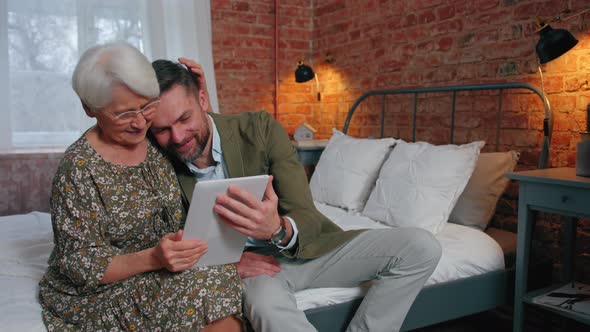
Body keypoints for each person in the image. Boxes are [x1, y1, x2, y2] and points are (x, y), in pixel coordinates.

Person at [149, 58, 443, 332]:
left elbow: (305, 211)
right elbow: (166, 243)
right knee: (266, 307)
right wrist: (226, 267)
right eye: (163, 129)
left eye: (185, 118)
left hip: (307, 249)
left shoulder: (260, 129)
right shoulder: (154, 162)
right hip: (253, 267)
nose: (177, 136)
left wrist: (278, 229)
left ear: (202, 100)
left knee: (421, 247)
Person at [38, 43, 243, 332]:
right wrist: (154, 258)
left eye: (146, 106)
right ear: (89, 108)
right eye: (123, 114)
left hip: (166, 265)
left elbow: (204, 148)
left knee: (224, 276)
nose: (138, 123)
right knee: (208, 286)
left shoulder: (155, 137)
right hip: (101, 289)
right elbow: (81, 264)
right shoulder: (79, 168)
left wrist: (200, 97)